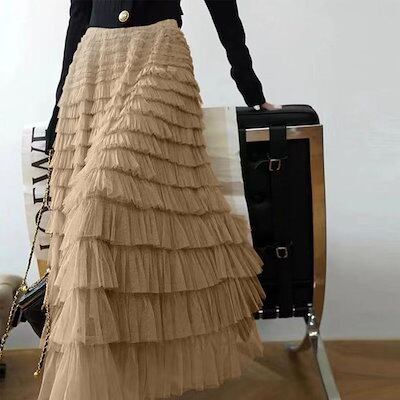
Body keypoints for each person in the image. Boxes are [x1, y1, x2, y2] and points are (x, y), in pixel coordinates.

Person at [37, 1, 276, 399]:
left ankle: (144, 372)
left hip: (159, 54)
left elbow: (222, 6)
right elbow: (79, 13)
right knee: (94, 227)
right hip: (93, 62)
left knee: (99, 197)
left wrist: (251, 88)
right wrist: (57, 109)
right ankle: (116, 380)